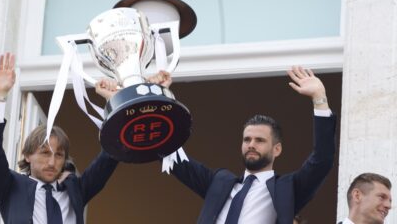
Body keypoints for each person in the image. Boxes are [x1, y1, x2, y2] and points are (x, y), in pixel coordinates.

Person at [98, 66, 337, 224]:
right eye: (247, 139)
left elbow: (322, 159)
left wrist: (319, 99)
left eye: (260, 140)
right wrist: (158, 102)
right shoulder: (220, 182)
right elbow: (177, 159)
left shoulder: (288, 189)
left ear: (277, 149)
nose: (251, 145)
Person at [0, 52, 118, 224]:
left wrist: (115, 104)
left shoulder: (76, 190)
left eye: (59, 155)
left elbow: (110, 156)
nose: (52, 162)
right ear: (28, 155)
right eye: (45, 153)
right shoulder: (10, 187)